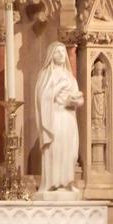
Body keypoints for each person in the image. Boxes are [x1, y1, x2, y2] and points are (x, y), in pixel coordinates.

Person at [35, 41, 84, 191]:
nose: (62, 54)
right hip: (54, 118)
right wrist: (59, 87)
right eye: (58, 52)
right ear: (51, 55)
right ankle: (52, 184)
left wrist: (77, 100)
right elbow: (42, 97)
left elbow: (78, 97)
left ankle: (67, 182)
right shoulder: (46, 74)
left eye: (63, 52)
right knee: (55, 150)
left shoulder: (70, 76)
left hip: (68, 117)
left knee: (69, 151)